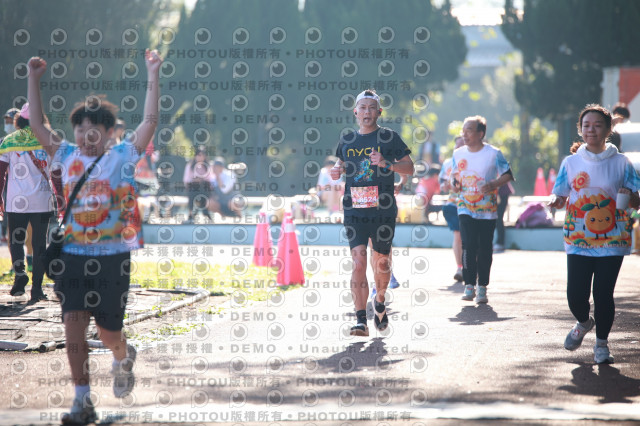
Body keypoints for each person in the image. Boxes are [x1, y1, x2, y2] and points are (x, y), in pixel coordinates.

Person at [27, 49, 162, 423]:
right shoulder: (65, 154)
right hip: (72, 255)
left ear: (109, 133)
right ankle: (82, 401)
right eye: (80, 129)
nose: (86, 136)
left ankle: (123, 355)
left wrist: (153, 73)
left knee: (108, 333)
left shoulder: (122, 157)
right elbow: (37, 123)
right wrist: (33, 79)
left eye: (95, 130)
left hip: (113, 258)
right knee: (73, 324)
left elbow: (150, 121)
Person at [549, 104, 640, 364]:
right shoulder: (571, 163)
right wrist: (556, 201)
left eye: (597, 125)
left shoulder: (621, 162)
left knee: (603, 294)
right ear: (580, 130)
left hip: (613, 237)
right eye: (586, 125)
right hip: (579, 237)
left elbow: (637, 201)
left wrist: (630, 197)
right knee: (575, 296)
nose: (591, 130)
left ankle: (602, 345)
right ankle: (583, 322)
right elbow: (560, 194)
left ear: (609, 130)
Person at [331, 89, 414, 336]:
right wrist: (336, 170)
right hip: (354, 210)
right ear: (355, 112)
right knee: (358, 262)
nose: (367, 112)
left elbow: (409, 168)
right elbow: (340, 164)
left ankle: (379, 300)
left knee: (382, 262)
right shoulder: (347, 139)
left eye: (371, 108)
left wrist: (387, 164)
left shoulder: (389, 137)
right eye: (362, 108)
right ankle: (361, 321)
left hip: (382, 211)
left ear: (379, 112)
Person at [451, 116, 514, 303]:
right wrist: (455, 184)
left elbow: (508, 175)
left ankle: (482, 287)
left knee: (485, 248)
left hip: (487, 209)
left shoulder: (493, 153)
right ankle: (469, 285)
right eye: (463, 130)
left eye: (469, 130)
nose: (465, 134)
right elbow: (455, 177)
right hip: (465, 206)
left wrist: (493, 184)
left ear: (480, 133)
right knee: (468, 245)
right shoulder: (458, 154)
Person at [0, 103, 56, 301]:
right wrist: (61, 197)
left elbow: (1, 173)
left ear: (19, 120)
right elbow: (57, 173)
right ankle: (37, 289)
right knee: (39, 244)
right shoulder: (48, 140)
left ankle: (20, 275)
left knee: (16, 240)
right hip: (42, 201)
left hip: (16, 201)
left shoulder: (9, 141)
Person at [439, 136, 465, 282]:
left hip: (474, 205)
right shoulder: (448, 163)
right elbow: (442, 182)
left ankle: (471, 266)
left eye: (462, 145)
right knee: (458, 235)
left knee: (471, 238)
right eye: (457, 145)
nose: (458, 148)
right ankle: (459, 268)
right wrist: (444, 185)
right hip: (454, 204)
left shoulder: (474, 160)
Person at [1, 108, 19, 244]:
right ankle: (4, 234)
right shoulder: (2, 141)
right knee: (5, 211)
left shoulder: (27, 141)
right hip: (5, 183)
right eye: (6, 121)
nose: (8, 124)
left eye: (10, 121)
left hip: (21, 184)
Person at [183, 149, 214, 223]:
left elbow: (211, 178)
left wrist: (202, 179)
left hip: (204, 187)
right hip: (193, 187)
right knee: (192, 192)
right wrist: (195, 180)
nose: (200, 157)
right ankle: (191, 213)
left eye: (202, 155)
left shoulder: (208, 166)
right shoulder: (190, 166)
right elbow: (186, 179)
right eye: (198, 155)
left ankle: (205, 213)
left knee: (204, 191)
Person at [493, 180, 514, 253]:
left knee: (498, 218)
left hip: (501, 194)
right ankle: (497, 242)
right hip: (496, 193)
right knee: (496, 218)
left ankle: (500, 243)